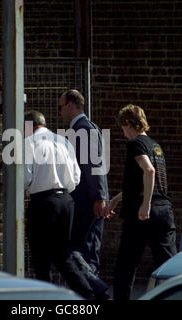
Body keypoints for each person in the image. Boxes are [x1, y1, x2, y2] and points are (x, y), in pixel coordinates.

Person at [24, 110, 101, 300]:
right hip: (67, 201)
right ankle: (88, 294)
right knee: (62, 255)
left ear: (28, 126)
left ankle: (45, 299)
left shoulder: (28, 143)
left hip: (43, 202)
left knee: (40, 257)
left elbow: (25, 178)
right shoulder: (63, 141)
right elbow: (75, 177)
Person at [106, 104, 177, 300]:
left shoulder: (135, 144)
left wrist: (145, 204)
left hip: (141, 213)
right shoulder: (156, 146)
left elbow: (149, 171)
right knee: (168, 264)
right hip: (164, 210)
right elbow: (141, 181)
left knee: (126, 266)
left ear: (129, 123)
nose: (123, 133)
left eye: (122, 127)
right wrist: (116, 199)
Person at [59, 89, 109, 275]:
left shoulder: (84, 130)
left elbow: (94, 166)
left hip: (87, 202)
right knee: (83, 248)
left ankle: (92, 293)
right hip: (87, 200)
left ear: (71, 105)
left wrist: (99, 197)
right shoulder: (86, 128)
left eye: (61, 107)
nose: (60, 111)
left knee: (85, 249)